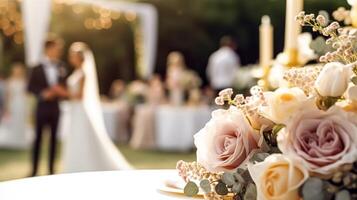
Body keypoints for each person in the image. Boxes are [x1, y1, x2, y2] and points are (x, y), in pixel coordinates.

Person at [61, 42, 131, 172]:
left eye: (73, 55)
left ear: (80, 57)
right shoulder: (77, 72)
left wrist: (62, 92)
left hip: (80, 110)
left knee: (83, 136)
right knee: (77, 136)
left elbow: (80, 95)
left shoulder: (83, 73)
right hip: (75, 110)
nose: (70, 58)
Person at [27, 37, 67, 176]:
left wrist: (58, 92)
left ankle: (51, 170)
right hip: (41, 107)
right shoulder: (36, 67)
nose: (58, 52)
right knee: (37, 139)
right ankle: (34, 170)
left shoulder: (61, 66)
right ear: (48, 49)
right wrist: (43, 94)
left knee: (54, 139)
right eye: (56, 48)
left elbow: (64, 85)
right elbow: (30, 87)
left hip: (55, 108)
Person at [0, 63, 33, 149]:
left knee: (21, 120)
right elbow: (8, 95)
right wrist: (7, 107)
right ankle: (13, 139)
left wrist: (28, 107)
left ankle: (20, 139)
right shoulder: (9, 81)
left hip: (22, 103)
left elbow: (27, 95)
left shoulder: (24, 81)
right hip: (14, 103)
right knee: (14, 120)